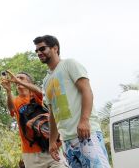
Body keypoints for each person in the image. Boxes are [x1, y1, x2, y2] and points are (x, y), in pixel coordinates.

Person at [33, 35, 111, 168]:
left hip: (86, 134)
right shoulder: (46, 81)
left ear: (55, 48)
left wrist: (84, 120)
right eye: (37, 51)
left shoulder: (69, 64)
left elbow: (87, 91)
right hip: (67, 141)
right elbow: (52, 113)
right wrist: (52, 141)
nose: (39, 53)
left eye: (42, 48)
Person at [1, 71, 61, 168]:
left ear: (29, 83)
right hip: (30, 153)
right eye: (17, 78)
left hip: (49, 148)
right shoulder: (16, 100)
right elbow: (11, 108)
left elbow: (39, 91)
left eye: (21, 78)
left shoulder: (35, 96)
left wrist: (19, 81)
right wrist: (8, 91)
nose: (17, 80)